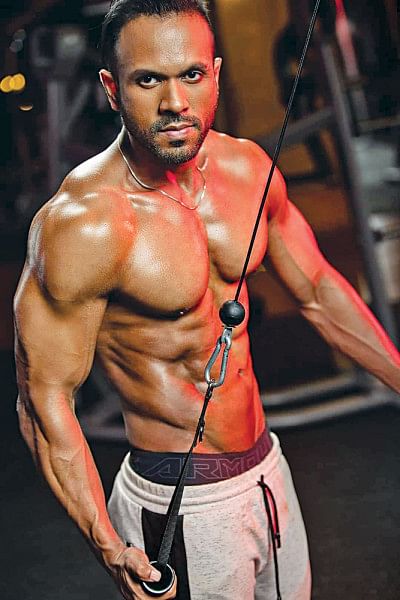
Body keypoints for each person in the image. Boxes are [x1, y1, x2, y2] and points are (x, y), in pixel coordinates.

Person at [14, 1, 400, 599]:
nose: (176, 102)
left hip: (268, 469)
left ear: (215, 73)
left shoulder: (248, 170)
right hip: (181, 500)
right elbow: (43, 398)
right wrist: (108, 546)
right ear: (112, 90)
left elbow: (319, 292)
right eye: (149, 80)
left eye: (191, 74)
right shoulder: (87, 224)